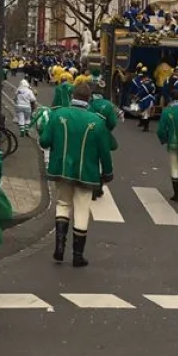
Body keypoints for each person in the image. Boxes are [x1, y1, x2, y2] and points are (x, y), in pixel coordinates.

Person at [40, 82, 114, 268]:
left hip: (62, 169)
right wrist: (107, 172)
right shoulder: (97, 121)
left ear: (72, 96)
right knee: (81, 210)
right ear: (89, 98)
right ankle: (77, 255)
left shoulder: (58, 114)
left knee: (63, 204)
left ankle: (59, 248)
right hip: (86, 172)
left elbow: (45, 141)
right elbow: (105, 152)